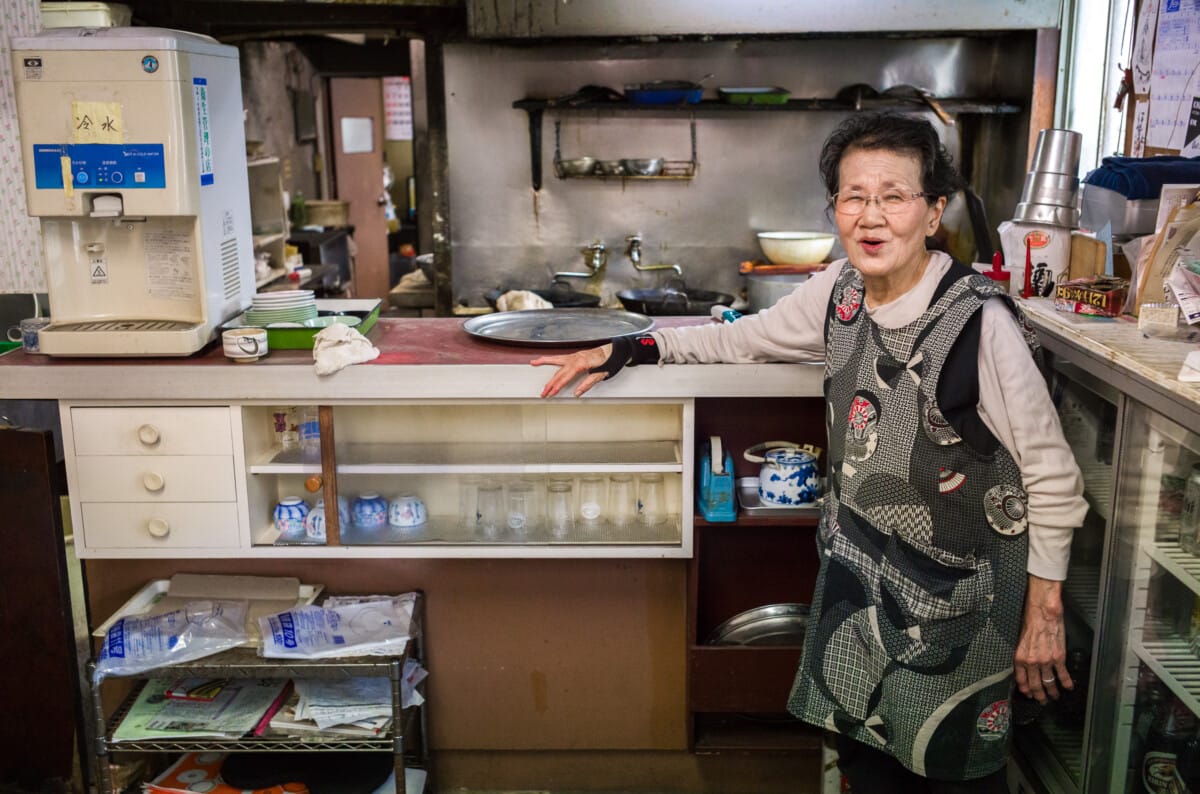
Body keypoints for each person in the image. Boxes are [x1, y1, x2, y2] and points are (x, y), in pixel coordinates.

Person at [533, 112, 1087, 791]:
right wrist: (638, 346)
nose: (871, 215)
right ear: (835, 211)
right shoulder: (840, 291)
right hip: (860, 598)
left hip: (956, 618)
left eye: (894, 195)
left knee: (949, 771)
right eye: (854, 196)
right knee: (865, 766)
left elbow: (1054, 479)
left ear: (934, 212)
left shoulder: (979, 323)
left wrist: (1044, 613)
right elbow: (743, 339)